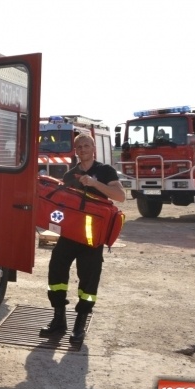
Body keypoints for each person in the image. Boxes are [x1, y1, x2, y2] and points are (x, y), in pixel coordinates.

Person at [40, 133, 126, 345]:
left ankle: (80, 324)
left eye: (86, 145)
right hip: (70, 236)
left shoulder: (105, 171)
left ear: (93, 148)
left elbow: (120, 196)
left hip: (92, 240)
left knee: (88, 281)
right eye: (79, 147)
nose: (83, 149)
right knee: (56, 272)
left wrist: (96, 184)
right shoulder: (70, 175)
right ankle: (59, 319)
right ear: (75, 151)